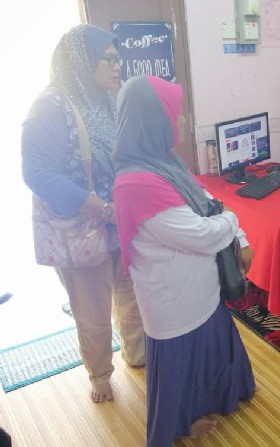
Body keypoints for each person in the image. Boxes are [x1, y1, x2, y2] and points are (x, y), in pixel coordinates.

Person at [112, 75, 256, 447]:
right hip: (173, 297)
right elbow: (202, 234)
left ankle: (212, 401)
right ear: (153, 119)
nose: (179, 120)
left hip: (199, 288)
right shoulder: (136, 181)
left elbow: (208, 202)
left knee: (208, 348)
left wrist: (234, 229)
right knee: (180, 365)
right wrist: (234, 221)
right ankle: (178, 425)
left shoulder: (163, 161)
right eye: (172, 113)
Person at [21, 24, 145, 403]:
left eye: (119, 59)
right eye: (109, 59)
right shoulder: (50, 107)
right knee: (92, 311)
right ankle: (100, 374)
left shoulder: (108, 99)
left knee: (131, 293)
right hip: (81, 227)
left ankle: (137, 355)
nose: (117, 67)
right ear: (81, 61)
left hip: (119, 222)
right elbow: (38, 174)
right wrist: (101, 208)